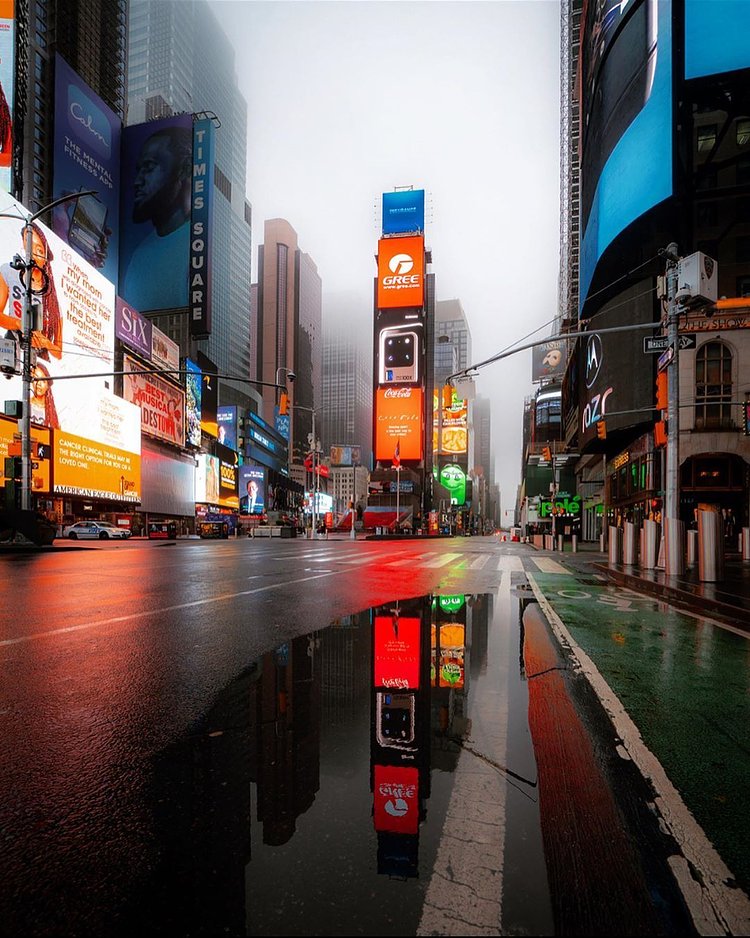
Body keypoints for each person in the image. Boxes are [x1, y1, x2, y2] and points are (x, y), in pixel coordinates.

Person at [121, 125, 192, 311]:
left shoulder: (198, 246)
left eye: (149, 167)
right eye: (139, 170)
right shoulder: (139, 257)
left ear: (183, 169)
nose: (137, 181)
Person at [0, 223, 63, 361]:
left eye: (39, 251)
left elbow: (59, 353)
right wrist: (19, 324)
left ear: (46, 259)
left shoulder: (52, 301)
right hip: (11, 351)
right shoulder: (8, 271)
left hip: (38, 362)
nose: (33, 255)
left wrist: (45, 342)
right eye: (28, 246)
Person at [30, 361, 60, 429]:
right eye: (36, 378)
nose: (39, 384)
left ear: (47, 385)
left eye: (43, 381)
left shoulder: (52, 412)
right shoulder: (25, 404)